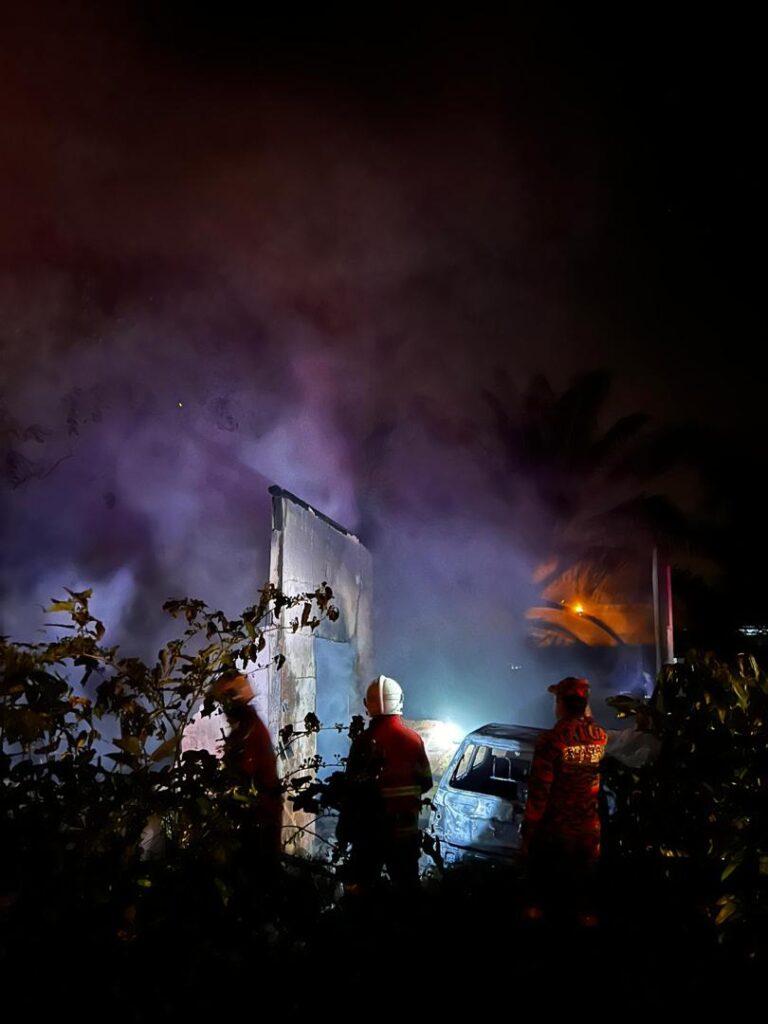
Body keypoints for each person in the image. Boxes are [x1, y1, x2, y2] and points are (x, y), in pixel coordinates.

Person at [521, 676, 607, 924]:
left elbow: (540, 791)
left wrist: (529, 831)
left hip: (556, 834)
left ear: (560, 704)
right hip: (588, 832)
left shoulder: (552, 741)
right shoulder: (599, 737)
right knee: (583, 896)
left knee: (548, 899)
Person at [337, 674, 433, 894]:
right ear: (400, 701)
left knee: (361, 891)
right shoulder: (413, 740)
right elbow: (426, 782)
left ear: (367, 706)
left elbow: (351, 792)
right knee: (408, 891)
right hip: (405, 834)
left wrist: (344, 832)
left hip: (369, 836)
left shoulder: (362, 743)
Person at [211, 671, 283, 867]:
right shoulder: (247, 727)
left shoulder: (248, 732)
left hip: (258, 822)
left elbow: (242, 779)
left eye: (226, 699)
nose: (223, 708)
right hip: (261, 818)